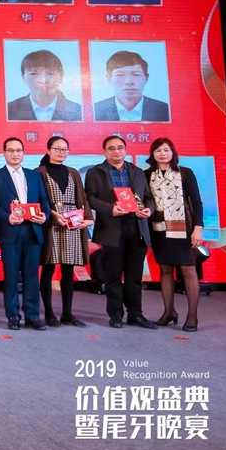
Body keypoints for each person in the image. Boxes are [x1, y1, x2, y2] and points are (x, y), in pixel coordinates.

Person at [84, 135, 157, 329]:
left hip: (137, 227)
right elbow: (90, 198)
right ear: (104, 151)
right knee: (113, 275)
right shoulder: (95, 172)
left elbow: (148, 197)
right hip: (111, 227)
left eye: (120, 148)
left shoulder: (137, 171)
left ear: (125, 150)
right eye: (111, 148)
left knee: (134, 276)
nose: (116, 151)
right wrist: (110, 209)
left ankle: (136, 314)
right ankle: (115, 314)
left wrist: (149, 210)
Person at [0, 137, 51, 331]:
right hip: (10, 231)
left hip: (33, 230)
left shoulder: (34, 175)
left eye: (19, 150)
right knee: (11, 276)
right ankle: (13, 315)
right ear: (4, 153)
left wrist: (45, 216)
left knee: (32, 276)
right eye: (11, 150)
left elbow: (44, 201)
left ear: (23, 153)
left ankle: (32, 316)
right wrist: (7, 217)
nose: (15, 154)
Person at [144, 138, 204, 332]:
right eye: (158, 150)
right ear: (152, 154)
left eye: (166, 150)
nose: (162, 154)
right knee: (165, 270)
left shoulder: (185, 173)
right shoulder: (147, 174)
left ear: (173, 152)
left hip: (183, 228)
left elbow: (196, 201)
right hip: (158, 229)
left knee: (188, 269)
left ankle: (192, 316)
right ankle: (169, 312)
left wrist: (198, 227)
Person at [35, 136, 93, 328]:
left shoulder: (73, 172)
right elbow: (36, 199)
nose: (61, 152)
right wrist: (52, 214)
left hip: (72, 224)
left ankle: (67, 313)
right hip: (50, 223)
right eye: (57, 149)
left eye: (65, 149)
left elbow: (82, 197)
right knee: (48, 268)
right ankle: (49, 313)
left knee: (68, 269)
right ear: (48, 150)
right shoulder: (39, 172)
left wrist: (88, 218)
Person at [93, 50, 170, 122]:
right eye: (120, 75)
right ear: (109, 78)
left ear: (146, 78)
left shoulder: (165, 110)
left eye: (136, 74)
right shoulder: (95, 110)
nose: (128, 82)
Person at [6, 50, 83, 122]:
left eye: (50, 73)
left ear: (61, 77)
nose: (43, 80)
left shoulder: (79, 111)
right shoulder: (8, 110)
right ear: (24, 77)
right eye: (33, 74)